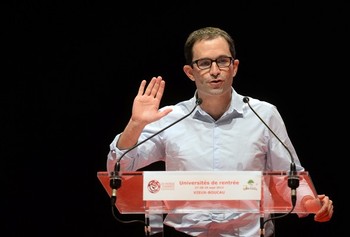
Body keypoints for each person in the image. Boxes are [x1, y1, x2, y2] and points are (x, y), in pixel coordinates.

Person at [107, 26, 333, 236]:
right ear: (190, 72)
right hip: (184, 233)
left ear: (234, 67)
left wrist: (310, 203)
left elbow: (289, 176)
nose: (214, 71)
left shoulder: (263, 115)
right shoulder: (171, 117)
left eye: (222, 61)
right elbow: (120, 168)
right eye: (204, 63)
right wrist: (135, 124)